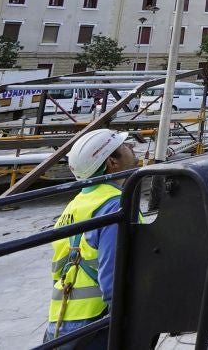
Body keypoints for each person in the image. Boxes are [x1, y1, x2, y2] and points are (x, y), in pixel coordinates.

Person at [47, 129, 137, 349]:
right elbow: (113, 278)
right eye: (125, 146)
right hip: (96, 325)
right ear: (112, 163)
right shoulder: (115, 206)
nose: (132, 148)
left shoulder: (75, 205)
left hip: (60, 323)